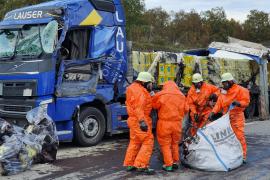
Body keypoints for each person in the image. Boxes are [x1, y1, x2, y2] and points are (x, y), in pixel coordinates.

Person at [208, 73, 250, 162]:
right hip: (226, 118)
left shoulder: (241, 90)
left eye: (225, 83)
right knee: (228, 138)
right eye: (223, 83)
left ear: (230, 81)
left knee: (239, 137)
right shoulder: (223, 92)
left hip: (237, 117)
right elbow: (219, 104)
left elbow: (246, 102)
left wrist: (238, 103)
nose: (223, 85)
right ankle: (232, 155)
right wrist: (212, 112)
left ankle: (243, 156)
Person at [123, 72, 155, 174]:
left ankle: (130, 163)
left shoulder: (133, 88)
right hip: (139, 119)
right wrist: (142, 121)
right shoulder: (140, 92)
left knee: (135, 141)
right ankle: (141, 165)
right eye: (150, 83)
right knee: (148, 140)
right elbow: (139, 108)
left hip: (133, 119)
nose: (151, 85)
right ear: (144, 82)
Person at [152, 81, 187, 172]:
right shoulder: (182, 96)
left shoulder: (161, 94)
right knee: (175, 143)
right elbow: (186, 109)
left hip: (164, 123)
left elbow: (155, 106)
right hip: (177, 123)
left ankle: (168, 164)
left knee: (165, 144)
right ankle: (175, 162)